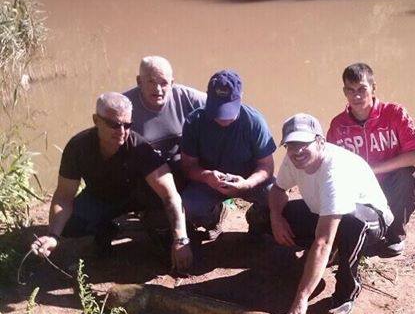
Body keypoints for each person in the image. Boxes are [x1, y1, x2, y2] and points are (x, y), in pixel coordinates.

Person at [31, 92, 192, 271]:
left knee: (164, 208)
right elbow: (63, 196)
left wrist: (180, 239)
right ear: (96, 120)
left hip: (138, 198)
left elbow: (170, 196)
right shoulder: (78, 147)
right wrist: (53, 236)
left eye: (127, 125)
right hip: (101, 198)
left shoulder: (140, 147)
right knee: (68, 225)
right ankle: (106, 230)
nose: (121, 131)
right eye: (114, 124)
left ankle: (158, 231)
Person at [269, 113, 394, 314]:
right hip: (325, 212)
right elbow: (278, 189)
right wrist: (276, 218)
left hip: (371, 218)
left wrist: (300, 300)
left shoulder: (335, 171)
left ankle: (347, 292)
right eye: (291, 145)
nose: (297, 151)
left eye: (303, 144)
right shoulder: (293, 159)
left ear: (320, 142)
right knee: (262, 212)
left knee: (352, 225)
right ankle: (321, 257)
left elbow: (322, 242)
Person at [327, 62, 415, 256]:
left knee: (409, 176)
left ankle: (394, 236)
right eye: (351, 90)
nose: (357, 96)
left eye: (362, 89)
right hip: (357, 190)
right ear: (344, 92)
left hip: (389, 183)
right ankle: (352, 237)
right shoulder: (338, 125)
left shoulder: (394, 113)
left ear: (373, 88)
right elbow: (329, 165)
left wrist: (373, 169)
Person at [181, 69, 276, 240]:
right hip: (210, 182)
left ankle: (257, 220)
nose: (222, 118)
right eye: (217, 109)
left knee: (274, 195)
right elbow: (188, 166)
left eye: (228, 110)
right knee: (187, 205)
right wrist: (206, 176)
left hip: (247, 179)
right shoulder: (194, 121)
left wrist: (247, 184)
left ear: (241, 98)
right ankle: (213, 218)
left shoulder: (254, 121)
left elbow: (267, 166)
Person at [123, 55, 206, 182]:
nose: (158, 89)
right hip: (143, 174)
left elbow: (221, 104)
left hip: (182, 166)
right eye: (151, 82)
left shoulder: (187, 97)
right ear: (139, 81)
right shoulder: (124, 106)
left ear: (172, 83)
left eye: (164, 83)